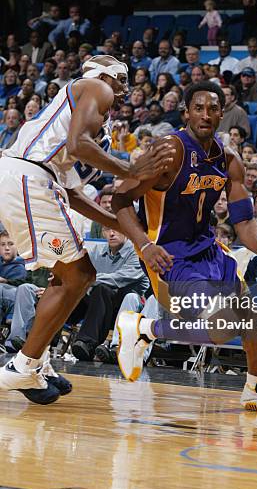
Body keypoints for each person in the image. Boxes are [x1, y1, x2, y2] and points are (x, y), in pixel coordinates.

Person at [0, 55, 174, 405]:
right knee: (78, 275)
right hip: (27, 177)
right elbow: (80, 146)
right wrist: (131, 170)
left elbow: (76, 195)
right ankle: (22, 365)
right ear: (105, 75)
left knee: (71, 275)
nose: (126, 89)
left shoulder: (83, 121)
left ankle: (37, 362)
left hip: (36, 181)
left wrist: (135, 233)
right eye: (122, 79)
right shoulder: (95, 88)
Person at [112, 81, 257, 414]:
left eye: (212, 108)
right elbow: (120, 199)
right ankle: (142, 328)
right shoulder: (169, 150)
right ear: (186, 113)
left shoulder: (228, 159)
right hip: (167, 253)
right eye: (198, 108)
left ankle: (256, 387)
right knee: (220, 326)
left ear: (223, 113)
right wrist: (144, 244)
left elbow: (242, 218)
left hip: (207, 249)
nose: (206, 114)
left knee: (251, 315)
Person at [70, 226, 149, 361]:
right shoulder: (96, 252)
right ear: (102, 233)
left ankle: (86, 343)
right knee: (70, 291)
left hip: (127, 310)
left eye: (116, 229)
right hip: (98, 309)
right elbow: (80, 273)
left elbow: (118, 278)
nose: (112, 233)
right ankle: (43, 338)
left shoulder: (137, 253)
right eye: (107, 229)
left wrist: (87, 280)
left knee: (102, 288)